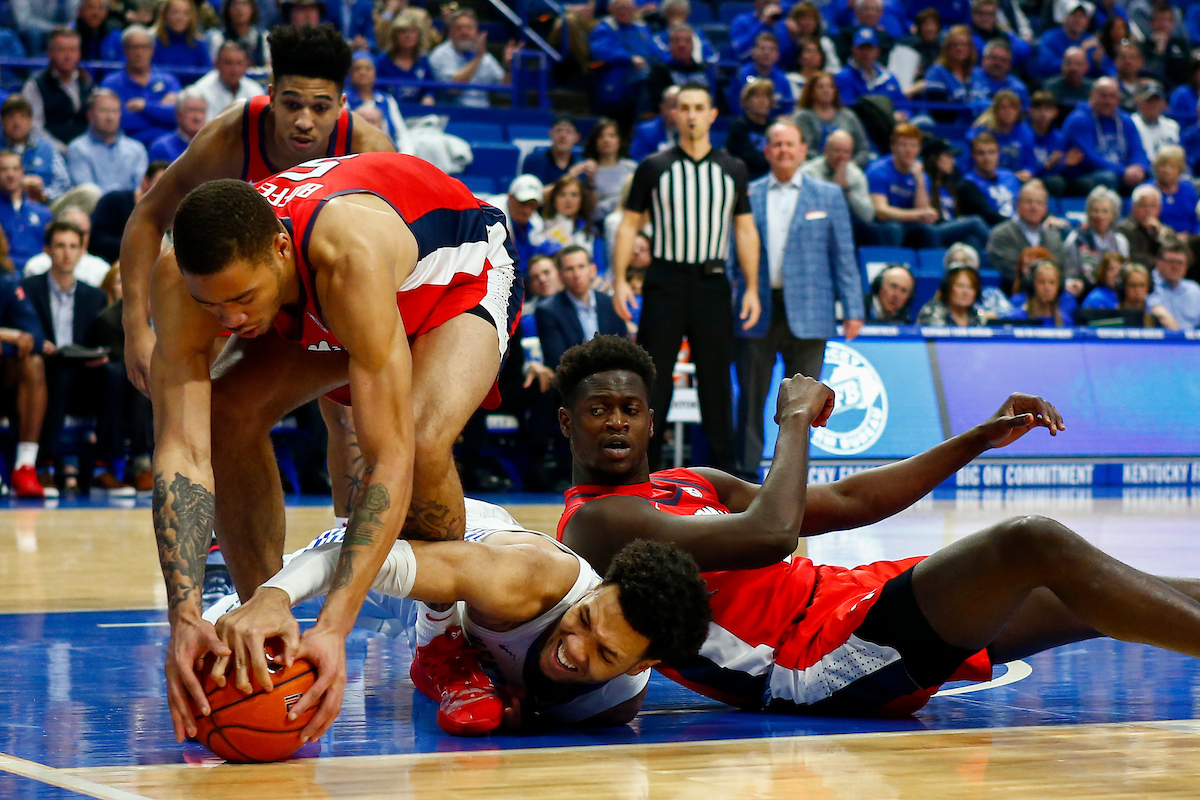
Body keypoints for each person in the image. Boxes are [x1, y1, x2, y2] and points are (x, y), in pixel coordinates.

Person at [555, 337, 1200, 718]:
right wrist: (795, 421)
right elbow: (772, 535)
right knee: (1030, 541)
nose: (616, 421)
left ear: (651, 419)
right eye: (598, 410)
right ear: (566, 423)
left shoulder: (688, 481)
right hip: (807, 663)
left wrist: (977, 438)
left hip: (848, 602)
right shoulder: (595, 522)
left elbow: (851, 499)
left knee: (1097, 591)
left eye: (630, 408)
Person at [152, 152, 523, 745]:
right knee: (224, 417)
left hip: (455, 273)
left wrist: (334, 626)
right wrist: (185, 616)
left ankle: (443, 640)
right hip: (330, 299)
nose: (229, 318)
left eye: (242, 297)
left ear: (279, 249)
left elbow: (389, 459)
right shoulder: (180, 278)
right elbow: (181, 452)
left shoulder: (348, 255)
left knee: (421, 440)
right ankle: (265, 633)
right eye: (212, 305)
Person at [206, 498, 711, 735]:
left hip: (457, 607)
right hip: (440, 548)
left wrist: (515, 715)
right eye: (584, 619)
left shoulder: (611, 707)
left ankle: (441, 640)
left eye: (605, 653)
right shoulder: (525, 582)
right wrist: (271, 596)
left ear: (640, 665)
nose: (576, 647)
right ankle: (217, 561)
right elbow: (360, 557)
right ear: (596, 587)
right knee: (243, 615)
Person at [610, 83, 761, 472]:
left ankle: (725, 478)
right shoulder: (654, 167)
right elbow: (628, 225)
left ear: (712, 115)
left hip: (713, 284)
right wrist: (620, 279)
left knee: (716, 383)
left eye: (699, 107)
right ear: (674, 114)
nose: (692, 114)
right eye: (685, 107)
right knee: (653, 380)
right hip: (665, 281)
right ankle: (643, 475)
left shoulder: (732, 169)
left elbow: (745, 229)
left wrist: (751, 287)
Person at [734, 119, 860, 478]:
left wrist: (853, 308)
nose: (784, 150)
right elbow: (732, 252)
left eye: (790, 144)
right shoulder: (748, 193)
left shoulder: (829, 195)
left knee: (802, 404)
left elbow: (843, 255)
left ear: (804, 151)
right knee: (751, 398)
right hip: (756, 307)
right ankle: (744, 474)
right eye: (777, 144)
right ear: (766, 151)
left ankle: (791, 477)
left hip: (811, 310)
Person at [21, 220, 131, 495]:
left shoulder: (94, 296)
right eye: (60, 246)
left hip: (83, 374)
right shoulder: (28, 289)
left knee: (114, 373)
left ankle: (105, 467)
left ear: (82, 251)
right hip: (44, 373)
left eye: (73, 246)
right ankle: (45, 465)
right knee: (61, 372)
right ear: (47, 250)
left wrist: (100, 356)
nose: (67, 253)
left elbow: (98, 340)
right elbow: (25, 327)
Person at [867, 124, 984, 250]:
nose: (909, 150)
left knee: (929, 231)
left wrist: (919, 180)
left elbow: (924, 213)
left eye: (913, 146)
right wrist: (917, 215)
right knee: (893, 228)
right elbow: (881, 212)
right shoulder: (879, 170)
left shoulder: (921, 174)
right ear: (893, 147)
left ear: (919, 149)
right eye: (903, 145)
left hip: (908, 224)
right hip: (883, 224)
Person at [536, 245, 627, 370]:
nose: (577, 274)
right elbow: (558, 361)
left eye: (581, 266)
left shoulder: (610, 303)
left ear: (593, 270)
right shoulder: (548, 311)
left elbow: (623, 348)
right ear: (560, 275)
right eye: (569, 269)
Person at [1061, 78, 1150, 196]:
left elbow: (1138, 150)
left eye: (1113, 96)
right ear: (1091, 95)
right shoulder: (1078, 120)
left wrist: (1140, 168)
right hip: (1086, 174)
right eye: (1103, 96)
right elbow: (1090, 158)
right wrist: (1123, 171)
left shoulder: (1126, 120)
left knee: (1152, 176)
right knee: (1108, 177)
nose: (1108, 101)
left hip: (1122, 172)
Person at [101, 25, 182, 150]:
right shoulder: (112, 83)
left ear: (152, 50)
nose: (139, 53)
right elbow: (117, 121)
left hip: (166, 149)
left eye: (144, 47)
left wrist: (145, 107)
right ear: (124, 50)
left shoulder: (168, 80)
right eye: (134, 47)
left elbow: (178, 116)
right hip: (126, 148)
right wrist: (160, 110)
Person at [428, 8, 519, 109]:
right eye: (459, 28)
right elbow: (453, 88)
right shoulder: (440, 54)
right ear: (451, 32)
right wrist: (477, 58)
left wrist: (508, 67)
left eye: (469, 27)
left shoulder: (485, 57)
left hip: (483, 113)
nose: (464, 32)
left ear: (476, 31)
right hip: (451, 113)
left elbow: (504, 91)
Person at [801, 128, 879, 245]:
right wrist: (834, 189)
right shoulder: (809, 172)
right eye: (837, 150)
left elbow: (868, 215)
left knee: (870, 231)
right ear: (826, 150)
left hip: (848, 224)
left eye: (846, 152)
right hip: (814, 223)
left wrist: (847, 190)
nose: (841, 156)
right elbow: (807, 209)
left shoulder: (856, 175)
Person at [20, 27, 95, 149]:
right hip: (49, 151)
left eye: (72, 50)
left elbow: (95, 122)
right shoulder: (35, 86)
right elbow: (33, 127)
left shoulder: (87, 83)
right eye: (61, 49)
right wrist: (60, 148)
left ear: (79, 53)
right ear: (50, 53)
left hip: (86, 151)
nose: (68, 55)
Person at [986, 180, 1067, 290]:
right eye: (1029, 202)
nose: (1034, 207)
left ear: (1045, 208)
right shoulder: (1001, 234)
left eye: (1039, 203)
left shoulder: (1054, 237)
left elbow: (1060, 268)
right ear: (1017, 205)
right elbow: (1008, 270)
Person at [66, 90, 150, 195]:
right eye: (104, 111)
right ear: (90, 115)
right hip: (95, 205)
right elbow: (87, 194)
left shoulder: (137, 149)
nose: (110, 117)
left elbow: (141, 189)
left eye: (115, 111)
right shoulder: (77, 149)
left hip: (132, 204)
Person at [588, 0, 655, 128]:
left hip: (642, 79)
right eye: (620, 7)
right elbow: (601, 51)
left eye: (628, 7)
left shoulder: (641, 28)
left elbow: (654, 49)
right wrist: (629, 58)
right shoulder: (604, 28)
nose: (624, 11)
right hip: (617, 82)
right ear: (610, 8)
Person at [89, 160, 167, 264]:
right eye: (160, 183)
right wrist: (136, 246)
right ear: (145, 182)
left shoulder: (170, 213)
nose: (166, 189)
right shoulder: (114, 200)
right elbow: (96, 239)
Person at [0, 97, 70, 205]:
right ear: (2, 121)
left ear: (30, 121)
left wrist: (43, 194)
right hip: (4, 205)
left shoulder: (46, 147)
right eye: (11, 117)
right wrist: (18, 185)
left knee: (87, 193)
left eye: (23, 117)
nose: (17, 123)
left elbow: (64, 183)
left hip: (46, 204)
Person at [793, 72, 871, 168]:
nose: (826, 90)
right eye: (820, 87)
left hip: (848, 167)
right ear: (811, 91)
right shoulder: (802, 118)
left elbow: (863, 147)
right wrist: (828, 163)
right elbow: (801, 148)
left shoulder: (848, 116)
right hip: (813, 168)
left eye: (830, 86)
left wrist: (851, 165)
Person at [22, 206, 110, 287]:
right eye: (71, 229)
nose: (79, 237)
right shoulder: (36, 267)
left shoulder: (101, 269)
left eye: (83, 232)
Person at [834, 27, 909, 122]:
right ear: (853, 50)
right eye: (861, 48)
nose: (865, 53)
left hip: (888, 125)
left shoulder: (889, 78)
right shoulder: (843, 77)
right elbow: (846, 107)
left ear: (877, 51)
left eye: (869, 48)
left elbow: (904, 106)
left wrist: (902, 114)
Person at [1063, 185, 1130, 290]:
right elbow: (1069, 276)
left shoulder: (1120, 241)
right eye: (1095, 210)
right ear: (1088, 212)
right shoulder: (1076, 239)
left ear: (1113, 215)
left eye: (1105, 211)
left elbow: (1124, 273)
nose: (1100, 216)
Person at [345, 52, 411, 154]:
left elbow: (401, 132)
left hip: (388, 153)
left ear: (375, 73)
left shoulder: (387, 100)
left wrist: (406, 155)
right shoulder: (344, 100)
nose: (363, 72)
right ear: (351, 73)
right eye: (358, 69)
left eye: (368, 69)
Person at [642, 23, 718, 111]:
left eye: (687, 41)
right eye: (676, 40)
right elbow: (658, 104)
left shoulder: (704, 70)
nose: (682, 45)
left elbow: (714, 102)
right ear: (669, 45)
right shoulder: (659, 71)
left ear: (694, 44)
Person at [967, 90, 1037, 182]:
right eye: (1004, 108)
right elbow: (971, 158)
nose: (1009, 112)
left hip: (1017, 178)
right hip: (987, 178)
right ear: (996, 110)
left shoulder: (1026, 132)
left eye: (1013, 108)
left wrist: (1028, 172)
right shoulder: (983, 130)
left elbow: (1030, 163)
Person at [190, 40, 266, 125]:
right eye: (228, 63)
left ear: (246, 65)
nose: (235, 69)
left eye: (239, 63)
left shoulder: (255, 90)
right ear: (217, 64)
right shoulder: (201, 90)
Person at [0, 151, 52, 273]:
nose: (10, 174)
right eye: (4, 169)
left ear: (22, 172)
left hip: (39, 273)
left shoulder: (43, 212)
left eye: (15, 169)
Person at [919, 24, 978, 125]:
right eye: (955, 44)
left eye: (964, 44)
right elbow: (938, 111)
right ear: (947, 47)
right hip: (944, 126)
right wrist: (967, 108)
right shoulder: (937, 72)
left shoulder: (977, 73)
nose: (960, 48)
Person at [957, 132, 1021, 226]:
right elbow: (987, 215)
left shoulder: (1010, 176)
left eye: (991, 152)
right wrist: (1020, 225)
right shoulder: (968, 184)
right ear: (973, 155)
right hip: (993, 229)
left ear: (998, 153)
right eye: (981, 153)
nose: (987, 158)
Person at [582, 118, 636, 225]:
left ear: (618, 140)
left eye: (611, 135)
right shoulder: (587, 169)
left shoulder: (631, 168)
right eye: (601, 136)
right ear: (595, 141)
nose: (606, 140)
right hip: (596, 223)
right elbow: (588, 210)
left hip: (626, 220)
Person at [374, 11, 435, 105]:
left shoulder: (423, 60)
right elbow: (376, 90)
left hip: (416, 110)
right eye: (403, 31)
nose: (408, 35)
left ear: (418, 35)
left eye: (412, 31)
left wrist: (429, 96)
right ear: (395, 36)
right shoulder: (382, 61)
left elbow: (430, 87)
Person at [487, 174, 547, 271]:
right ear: (510, 197)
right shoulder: (491, 214)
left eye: (532, 205)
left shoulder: (535, 222)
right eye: (523, 203)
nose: (527, 210)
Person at [728, 32, 794, 118]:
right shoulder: (741, 75)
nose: (766, 53)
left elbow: (788, 107)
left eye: (772, 49)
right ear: (753, 52)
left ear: (777, 55)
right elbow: (735, 104)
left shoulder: (783, 79)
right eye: (762, 48)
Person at [724, 80, 775, 181]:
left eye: (766, 97)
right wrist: (775, 159)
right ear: (746, 101)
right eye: (757, 96)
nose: (762, 101)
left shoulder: (774, 127)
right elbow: (747, 157)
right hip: (746, 177)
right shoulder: (739, 126)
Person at [1146, 236, 1200, 329]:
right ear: (1158, 262)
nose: (1175, 267)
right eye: (1171, 261)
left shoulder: (1194, 290)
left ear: (1187, 266)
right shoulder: (1148, 283)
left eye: (1180, 262)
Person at [522, 117, 590, 189]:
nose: (563, 135)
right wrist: (570, 176)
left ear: (577, 137)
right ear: (550, 133)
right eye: (558, 130)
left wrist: (591, 179)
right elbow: (531, 192)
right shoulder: (534, 161)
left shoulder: (581, 165)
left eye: (568, 131)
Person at [968, 38, 1029, 118]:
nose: (997, 63)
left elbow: (1024, 116)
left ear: (1009, 64)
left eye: (1003, 60)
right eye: (994, 58)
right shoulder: (969, 76)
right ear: (984, 59)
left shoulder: (1018, 89)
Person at [1147, 145, 1198, 237]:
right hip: (1159, 238)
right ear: (1156, 167)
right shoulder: (1147, 190)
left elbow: (1197, 220)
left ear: (1180, 169)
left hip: (1190, 239)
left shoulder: (1189, 190)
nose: (1167, 170)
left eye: (1172, 166)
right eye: (1163, 165)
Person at [542, 175, 596, 259]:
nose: (568, 200)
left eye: (574, 195)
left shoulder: (590, 230)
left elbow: (598, 264)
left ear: (581, 199)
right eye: (562, 195)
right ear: (554, 199)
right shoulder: (542, 227)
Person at [1117, 183, 1170, 266]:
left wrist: (1160, 234)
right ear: (1133, 207)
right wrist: (1161, 264)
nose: (1148, 210)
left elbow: (1173, 252)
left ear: (1159, 209)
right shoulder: (1123, 229)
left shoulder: (1163, 229)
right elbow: (1133, 257)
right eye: (1143, 206)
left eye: (1153, 206)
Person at [148, 90, 207, 164]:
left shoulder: (212, 146)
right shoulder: (162, 148)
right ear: (178, 115)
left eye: (202, 111)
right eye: (192, 110)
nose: (198, 117)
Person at [1141, 1, 1190, 90]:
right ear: (1151, 23)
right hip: (1154, 89)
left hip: (1178, 88)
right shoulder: (1145, 45)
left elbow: (1187, 71)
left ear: (1172, 23)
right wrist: (1159, 51)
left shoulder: (1181, 44)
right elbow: (1148, 73)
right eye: (1159, 20)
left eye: (1166, 20)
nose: (1163, 24)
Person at [152, 0, 213, 71]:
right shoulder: (154, 45)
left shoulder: (200, 46)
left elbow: (208, 73)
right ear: (165, 15)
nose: (180, 18)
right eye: (175, 12)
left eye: (185, 13)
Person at [917, 264, 986, 326]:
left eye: (971, 287)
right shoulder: (931, 312)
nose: (966, 292)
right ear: (947, 289)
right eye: (960, 286)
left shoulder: (977, 317)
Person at [208, 0, 272, 67]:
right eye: (235, 4)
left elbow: (268, 66)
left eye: (244, 4)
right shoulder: (218, 38)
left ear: (252, 8)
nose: (239, 9)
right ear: (228, 9)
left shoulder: (263, 37)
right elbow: (215, 66)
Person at [832, 0, 898, 64]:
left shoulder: (885, 38)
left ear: (881, 13)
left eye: (876, 10)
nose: (871, 13)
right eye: (867, 9)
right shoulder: (846, 35)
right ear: (857, 10)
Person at [1028, 91, 1067, 197]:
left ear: (1055, 112)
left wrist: (1063, 162)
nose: (1043, 113)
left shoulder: (1058, 138)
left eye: (1048, 109)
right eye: (1038, 109)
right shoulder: (1024, 134)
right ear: (1030, 111)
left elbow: (1057, 170)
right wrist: (1047, 165)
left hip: (1047, 179)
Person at [1008, 260, 1068, 326]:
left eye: (1052, 282)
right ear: (1032, 285)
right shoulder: (1016, 319)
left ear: (1059, 287)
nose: (1047, 288)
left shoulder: (1065, 321)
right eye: (1041, 282)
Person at [1132, 81, 1180, 162]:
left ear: (1163, 103)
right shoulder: (1131, 124)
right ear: (1139, 103)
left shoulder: (1172, 126)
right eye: (1149, 101)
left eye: (1157, 101)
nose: (1154, 105)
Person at [628, 86, 679, 161]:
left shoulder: (692, 129)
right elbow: (638, 161)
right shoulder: (645, 131)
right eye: (672, 106)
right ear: (662, 107)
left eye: (681, 107)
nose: (676, 112)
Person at [1044, 47, 1095, 111]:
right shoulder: (1051, 87)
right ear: (1062, 65)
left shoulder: (1092, 88)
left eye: (1078, 64)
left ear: (1086, 66)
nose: (1073, 68)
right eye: (1068, 63)